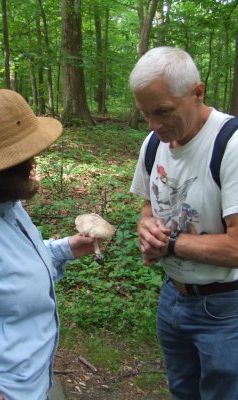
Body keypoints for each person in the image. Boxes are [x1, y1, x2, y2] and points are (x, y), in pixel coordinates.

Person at [0, 89, 95, 400]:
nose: (33, 162)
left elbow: (9, 271)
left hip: (33, 386)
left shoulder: (6, 207)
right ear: (4, 167)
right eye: (27, 155)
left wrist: (66, 248)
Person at [129, 46, 238, 400]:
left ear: (198, 92)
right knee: (182, 391)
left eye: (163, 112)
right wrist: (145, 229)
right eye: (146, 113)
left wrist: (170, 244)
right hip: (173, 297)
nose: (154, 125)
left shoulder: (230, 145)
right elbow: (148, 206)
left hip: (226, 311)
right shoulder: (153, 143)